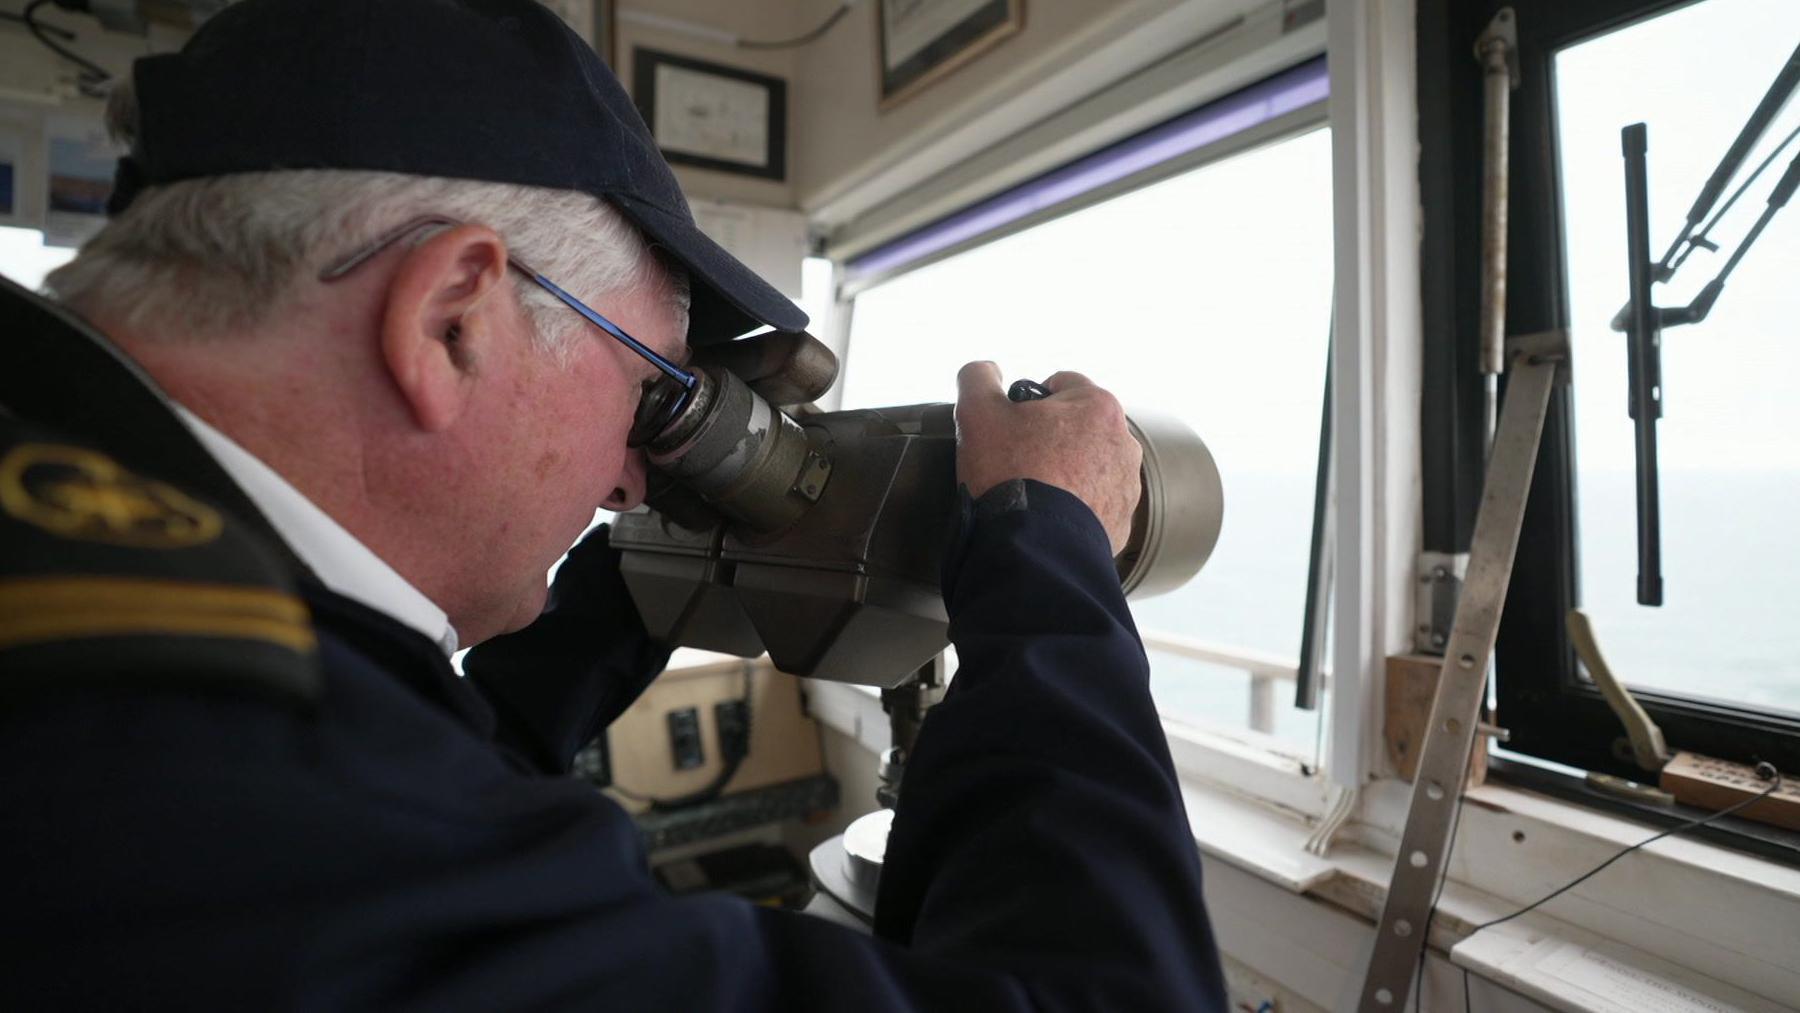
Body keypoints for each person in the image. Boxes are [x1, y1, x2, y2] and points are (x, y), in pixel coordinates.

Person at [0, 0, 1227, 1008]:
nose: (640, 472)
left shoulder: (121, 595)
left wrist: (638, 581)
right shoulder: (249, 789)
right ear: (452, 319)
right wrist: (1044, 542)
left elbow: (409, 737)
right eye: (646, 390)